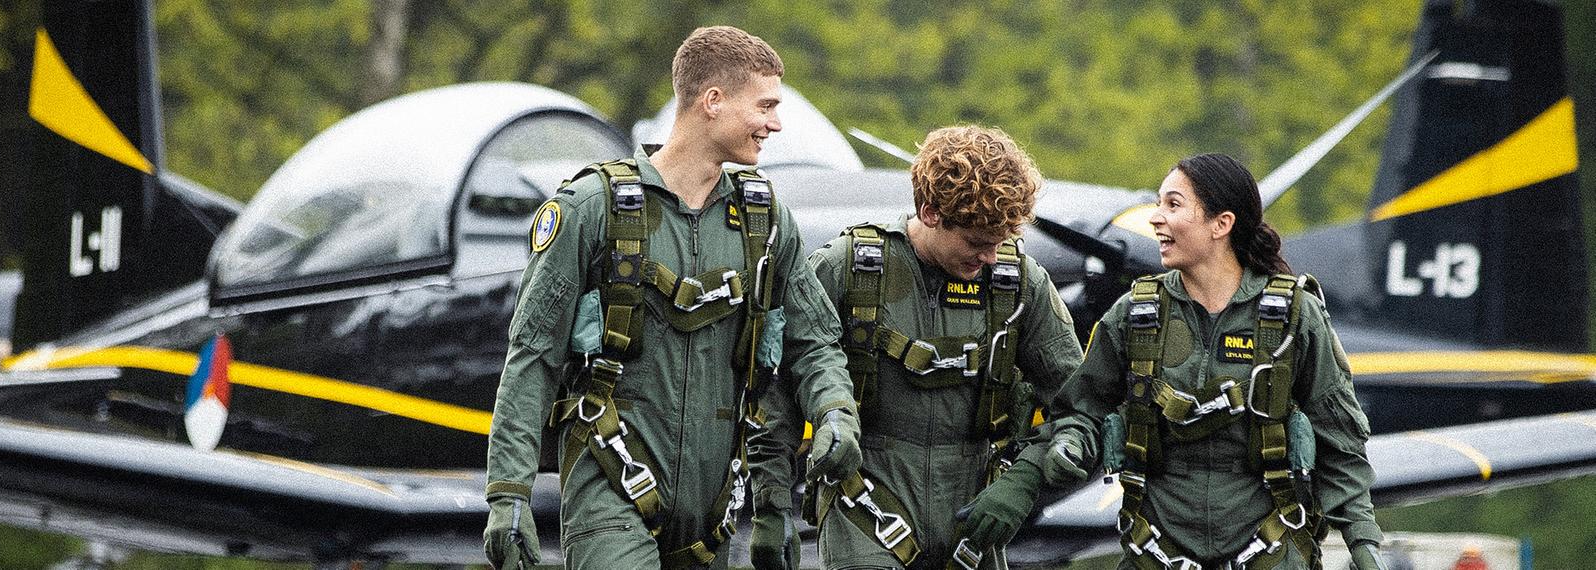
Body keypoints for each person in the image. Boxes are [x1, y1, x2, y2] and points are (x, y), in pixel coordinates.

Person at [481, 26, 864, 570]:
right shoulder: (593, 209)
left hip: (713, 507)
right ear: (713, 101)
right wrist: (508, 492)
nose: (775, 123)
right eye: (765, 105)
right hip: (609, 481)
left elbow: (815, 343)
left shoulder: (765, 222)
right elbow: (533, 355)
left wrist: (834, 415)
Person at [957, 153, 1385, 569]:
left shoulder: (1293, 317)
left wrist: (1363, 543)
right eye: (1158, 203)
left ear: (1222, 224)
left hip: (1271, 552)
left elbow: (1341, 444)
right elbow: (1080, 412)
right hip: (1156, 553)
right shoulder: (1135, 316)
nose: (1155, 218)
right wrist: (1047, 463)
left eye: (1173, 205)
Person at [746, 125, 1085, 570]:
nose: (989, 257)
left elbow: (1081, 403)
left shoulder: (1019, 285)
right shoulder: (846, 270)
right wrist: (771, 505)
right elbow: (779, 391)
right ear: (929, 212)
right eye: (976, 242)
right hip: (864, 503)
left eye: (1001, 242)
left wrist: (1023, 481)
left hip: (975, 513)